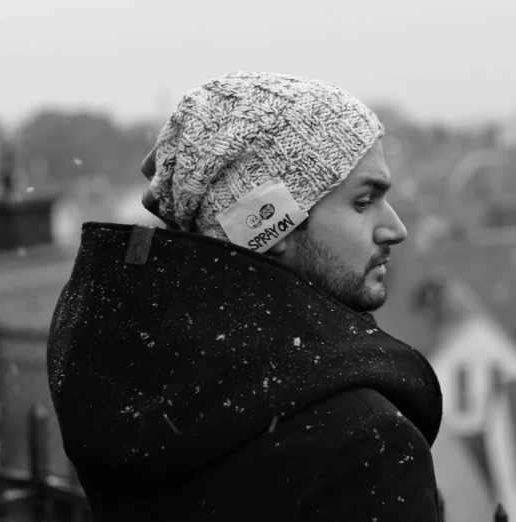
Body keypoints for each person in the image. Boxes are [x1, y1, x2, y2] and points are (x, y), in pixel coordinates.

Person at [48, 71, 444, 521]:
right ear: (270, 223)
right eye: (362, 201)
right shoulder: (365, 445)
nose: (396, 228)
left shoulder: (141, 399)